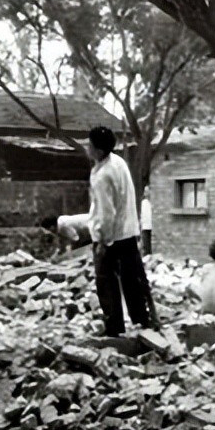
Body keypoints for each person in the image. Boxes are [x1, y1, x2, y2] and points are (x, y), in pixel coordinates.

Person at [86, 125, 153, 336]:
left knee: (106, 282)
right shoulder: (118, 163)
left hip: (111, 236)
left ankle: (114, 327)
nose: (87, 148)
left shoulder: (102, 175)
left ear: (97, 150)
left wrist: (103, 242)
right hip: (128, 232)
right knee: (133, 280)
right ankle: (142, 322)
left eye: (90, 145)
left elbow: (107, 213)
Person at [139, 186, 153, 256]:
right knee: (145, 245)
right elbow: (142, 215)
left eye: (147, 191)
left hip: (152, 227)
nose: (145, 193)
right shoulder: (143, 203)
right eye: (145, 191)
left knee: (151, 245)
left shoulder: (153, 203)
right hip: (145, 227)